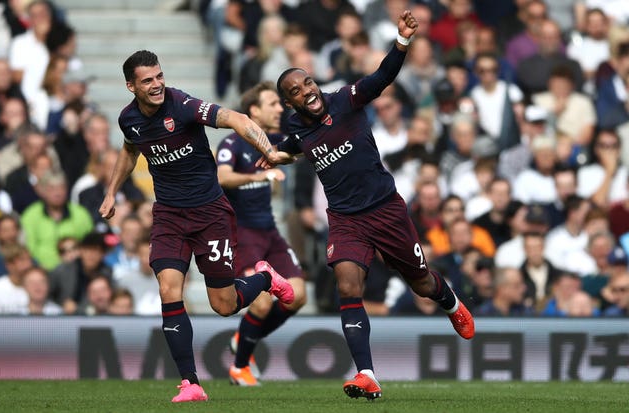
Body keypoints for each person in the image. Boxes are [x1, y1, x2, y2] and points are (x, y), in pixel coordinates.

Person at [265, 11, 474, 401]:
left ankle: (452, 304)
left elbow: (383, 77)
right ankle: (366, 373)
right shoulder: (296, 127)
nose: (305, 90)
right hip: (345, 218)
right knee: (347, 284)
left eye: (306, 82)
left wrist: (402, 41)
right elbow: (295, 147)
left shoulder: (345, 100)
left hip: (386, 209)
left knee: (422, 282)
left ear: (314, 82)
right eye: (294, 90)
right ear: (289, 102)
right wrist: (278, 156)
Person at [98, 50, 294, 403]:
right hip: (170, 217)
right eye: (147, 80)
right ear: (131, 86)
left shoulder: (183, 105)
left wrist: (270, 149)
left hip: (210, 215)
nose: (157, 84)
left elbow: (236, 118)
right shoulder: (128, 119)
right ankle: (191, 383)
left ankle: (266, 278)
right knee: (168, 289)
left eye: (159, 76)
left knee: (224, 304)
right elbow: (130, 150)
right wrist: (111, 192)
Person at [216, 81, 306, 386]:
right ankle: (240, 368)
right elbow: (223, 177)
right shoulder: (232, 143)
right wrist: (261, 174)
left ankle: (244, 337)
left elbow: (299, 149)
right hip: (243, 235)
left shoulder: (275, 140)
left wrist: (291, 155)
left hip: (270, 232)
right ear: (254, 110)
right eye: (273, 104)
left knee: (298, 296)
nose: (280, 108)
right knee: (262, 301)